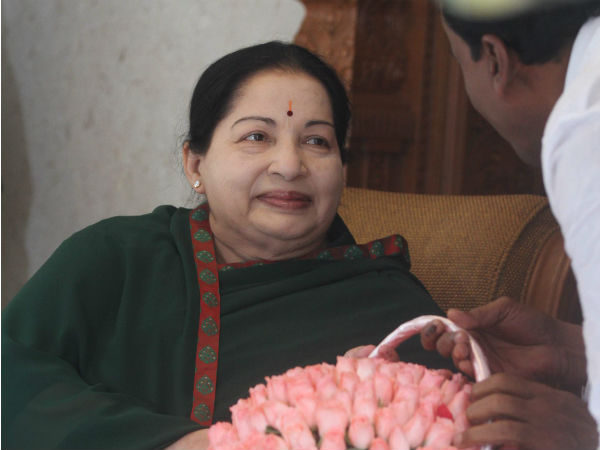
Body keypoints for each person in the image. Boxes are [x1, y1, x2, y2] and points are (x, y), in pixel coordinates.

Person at [2, 41, 453, 449]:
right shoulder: (115, 258)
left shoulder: (391, 312)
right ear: (195, 163)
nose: (289, 165)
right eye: (257, 137)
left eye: (317, 141)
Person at [418, 0, 600, 448]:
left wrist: (585, 434)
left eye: (459, 63)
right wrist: (572, 351)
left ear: (496, 60)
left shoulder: (585, 131)